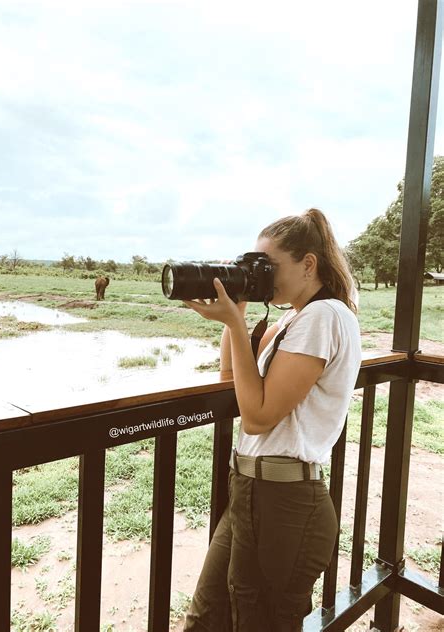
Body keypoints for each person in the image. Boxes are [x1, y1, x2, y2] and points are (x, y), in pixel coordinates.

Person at [182, 208, 362, 632]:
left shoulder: (323, 317)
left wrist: (235, 319)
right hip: (251, 490)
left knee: (258, 621)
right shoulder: (292, 318)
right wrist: (235, 314)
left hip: (284, 503)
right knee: (207, 616)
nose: (261, 276)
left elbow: (258, 416)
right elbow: (232, 378)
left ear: (309, 264)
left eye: (268, 267)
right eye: (253, 267)